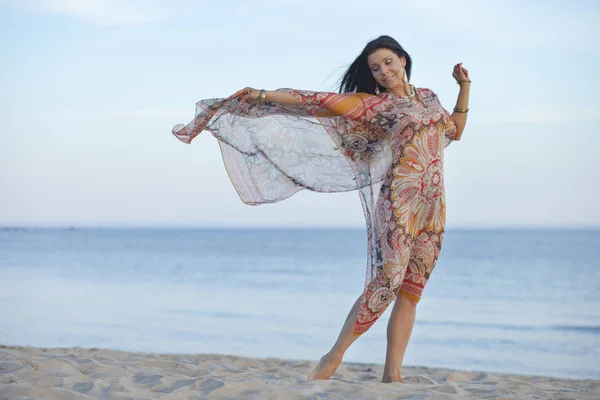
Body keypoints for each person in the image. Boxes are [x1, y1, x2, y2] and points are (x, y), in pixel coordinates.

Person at [172, 35, 470, 383]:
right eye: (375, 68)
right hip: (399, 204)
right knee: (387, 283)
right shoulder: (375, 106)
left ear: (403, 60)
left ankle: (393, 375)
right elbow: (318, 101)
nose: (383, 71)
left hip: (434, 205)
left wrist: (464, 86)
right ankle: (334, 356)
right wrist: (264, 96)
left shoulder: (430, 99)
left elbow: (457, 129)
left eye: (388, 62)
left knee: (412, 290)